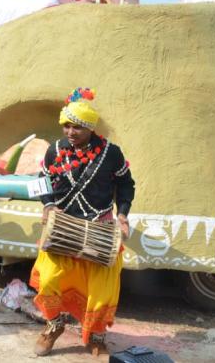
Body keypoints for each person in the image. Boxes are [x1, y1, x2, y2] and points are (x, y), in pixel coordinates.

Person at [31, 87, 134, 357]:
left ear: (90, 127)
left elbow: (126, 185)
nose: (70, 132)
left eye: (76, 127)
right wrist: (48, 204)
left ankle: (97, 336)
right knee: (50, 280)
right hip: (63, 229)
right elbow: (41, 181)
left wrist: (122, 215)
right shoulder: (54, 150)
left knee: (102, 290)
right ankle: (54, 325)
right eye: (66, 126)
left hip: (99, 229)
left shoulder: (112, 153)